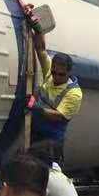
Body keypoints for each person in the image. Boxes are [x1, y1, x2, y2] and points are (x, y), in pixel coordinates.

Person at [25, 9, 82, 164]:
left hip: (51, 141)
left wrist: (35, 108)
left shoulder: (74, 93)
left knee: (47, 174)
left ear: (69, 72)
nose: (56, 77)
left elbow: (59, 115)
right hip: (36, 132)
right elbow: (41, 49)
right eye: (54, 72)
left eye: (61, 74)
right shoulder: (50, 72)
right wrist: (37, 27)